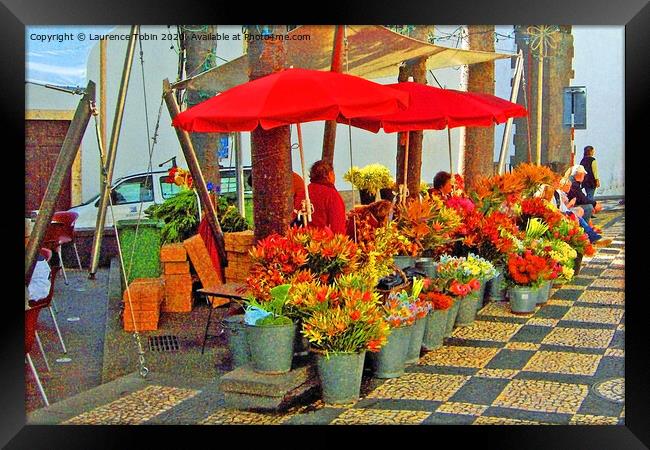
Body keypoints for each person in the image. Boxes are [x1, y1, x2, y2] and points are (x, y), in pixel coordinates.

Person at [550, 179, 611, 247]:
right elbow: (555, 209)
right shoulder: (555, 193)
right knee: (580, 217)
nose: (558, 184)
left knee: (580, 217)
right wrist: (570, 206)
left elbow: (563, 208)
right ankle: (592, 239)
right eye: (556, 183)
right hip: (557, 215)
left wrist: (570, 213)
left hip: (564, 212)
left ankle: (591, 238)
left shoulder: (557, 193)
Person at [293, 160, 346, 235]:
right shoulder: (331, 195)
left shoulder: (303, 192)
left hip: (300, 240)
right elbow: (338, 230)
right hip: (322, 243)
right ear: (330, 175)